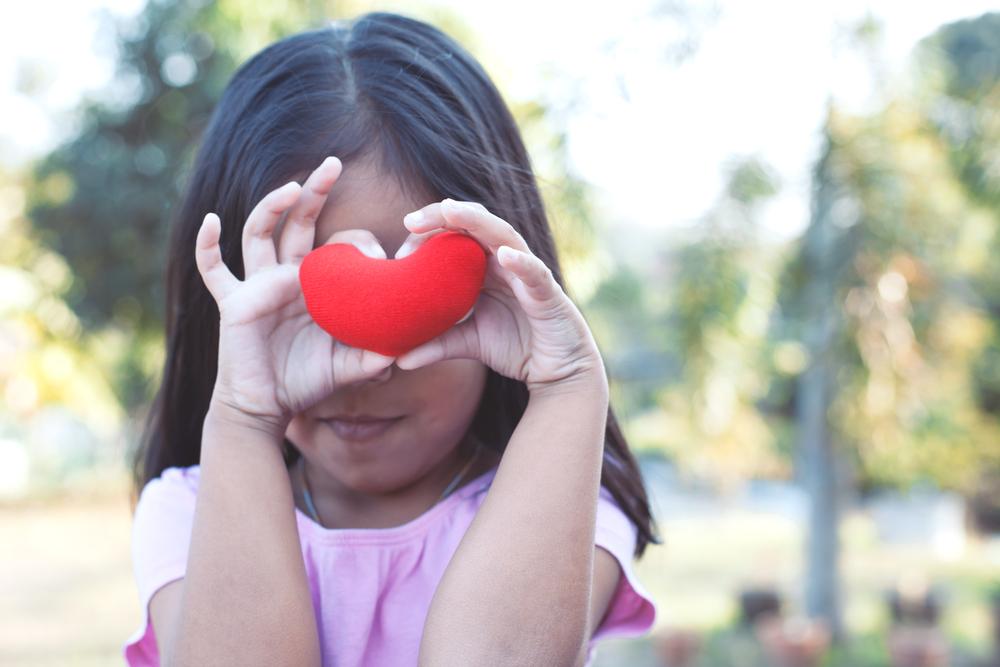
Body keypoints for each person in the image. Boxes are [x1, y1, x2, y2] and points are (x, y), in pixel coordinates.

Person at [124, 11, 660, 666]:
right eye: (314, 303)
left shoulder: (562, 498)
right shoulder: (190, 511)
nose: (367, 366)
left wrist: (568, 387)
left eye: (420, 306)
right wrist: (244, 414)